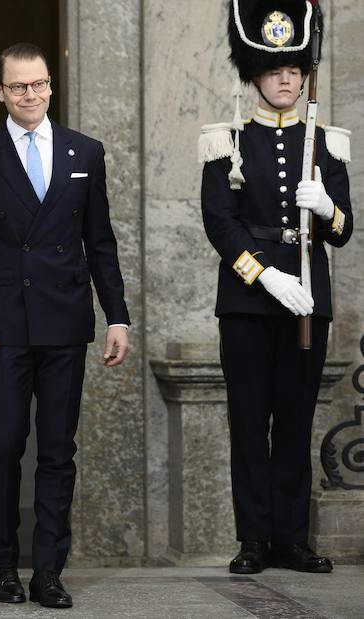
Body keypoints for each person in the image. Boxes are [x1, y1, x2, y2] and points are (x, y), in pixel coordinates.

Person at [0, 42, 131, 608]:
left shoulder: (86, 152)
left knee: (58, 449)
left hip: (64, 321)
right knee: (5, 444)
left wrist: (116, 316)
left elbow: (100, 244)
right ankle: (3, 567)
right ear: (0, 92)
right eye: (18, 86)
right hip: (1, 327)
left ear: (52, 86)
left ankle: (49, 570)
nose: (31, 95)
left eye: (39, 84)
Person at [200, 0, 352, 575]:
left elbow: (344, 230)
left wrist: (327, 205)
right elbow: (220, 222)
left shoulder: (327, 143)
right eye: (274, 70)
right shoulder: (227, 140)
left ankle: (292, 539)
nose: (285, 78)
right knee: (249, 420)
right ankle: (255, 541)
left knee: (294, 419)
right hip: (248, 301)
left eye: (293, 69)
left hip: (310, 298)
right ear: (255, 74)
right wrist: (264, 274)